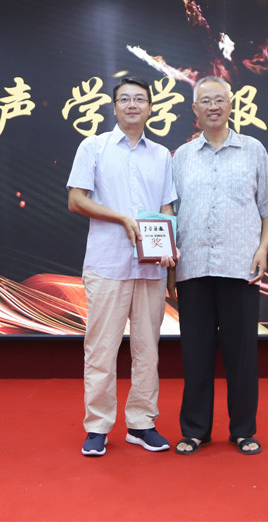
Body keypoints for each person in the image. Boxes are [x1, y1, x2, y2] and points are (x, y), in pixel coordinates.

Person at [170, 75, 268, 456]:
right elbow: (170, 212)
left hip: (240, 268)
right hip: (193, 268)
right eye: (206, 101)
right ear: (195, 109)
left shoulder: (253, 150)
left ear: (231, 105)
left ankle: (243, 430)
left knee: (242, 355)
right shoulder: (182, 157)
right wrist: (170, 264)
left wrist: (263, 248)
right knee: (195, 353)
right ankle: (195, 430)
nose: (213, 107)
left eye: (219, 100)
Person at [67, 77, 178, 457]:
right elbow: (76, 200)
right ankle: (97, 426)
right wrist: (120, 218)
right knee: (101, 349)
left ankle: (141, 423)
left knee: (148, 350)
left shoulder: (161, 155)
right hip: (107, 264)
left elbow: (166, 208)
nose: (132, 105)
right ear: (114, 107)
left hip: (150, 269)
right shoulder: (93, 147)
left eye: (140, 99)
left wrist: (167, 249)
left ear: (150, 108)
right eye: (125, 99)